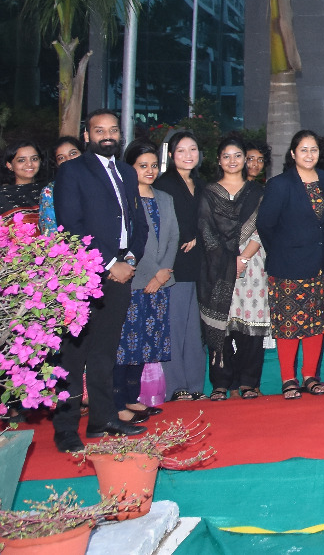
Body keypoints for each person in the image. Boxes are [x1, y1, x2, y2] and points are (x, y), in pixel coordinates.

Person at [50, 110, 148, 451]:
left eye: (113, 130)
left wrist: (130, 259)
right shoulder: (72, 171)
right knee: (74, 355)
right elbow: (70, 224)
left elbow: (138, 223)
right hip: (83, 275)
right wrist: (108, 264)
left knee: (106, 351)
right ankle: (65, 428)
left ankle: (102, 419)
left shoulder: (125, 172)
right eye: (99, 130)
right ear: (87, 135)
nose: (107, 135)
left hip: (123, 271)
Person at [257, 131, 324, 398]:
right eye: (303, 150)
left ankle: (311, 376)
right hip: (287, 265)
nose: (309, 155)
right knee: (288, 324)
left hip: (321, 264)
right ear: (293, 154)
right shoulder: (279, 184)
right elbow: (265, 225)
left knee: (316, 324)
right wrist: (283, 250)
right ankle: (288, 378)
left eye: (313, 149)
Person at [198, 137, 268, 403]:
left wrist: (243, 259)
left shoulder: (256, 193)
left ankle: (249, 381)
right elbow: (206, 229)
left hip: (252, 265)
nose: (233, 161)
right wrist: (228, 261)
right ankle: (221, 382)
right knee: (222, 326)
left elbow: (262, 227)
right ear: (219, 160)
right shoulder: (210, 192)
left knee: (251, 326)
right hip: (217, 266)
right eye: (226, 156)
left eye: (238, 155)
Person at [113, 142, 175, 425]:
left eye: (153, 165)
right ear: (129, 168)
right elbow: (127, 244)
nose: (149, 171)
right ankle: (116, 404)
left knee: (145, 346)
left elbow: (173, 236)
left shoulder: (165, 197)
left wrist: (163, 272)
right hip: (133, 281)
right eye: (142, 166)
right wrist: (149, 274)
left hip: (160, 282)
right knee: (124, 346)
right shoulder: (123, 199)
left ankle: (132, 398)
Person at [155, 131, 206, 402]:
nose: (188, 155)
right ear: (172, 155)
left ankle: (196, 385)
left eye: (193, 149)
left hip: (198, 265)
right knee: (174, 327)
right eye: (182, 150)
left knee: (194, 330)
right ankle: (176, 386)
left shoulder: (201, 183)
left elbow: (210, 221)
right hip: (172, 266)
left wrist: (199, 236)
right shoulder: (164, 184)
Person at [38, 136, 82, 233]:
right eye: (61, 157)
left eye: (73, 153)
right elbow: (50, 234)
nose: (68, 159)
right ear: (56, 164)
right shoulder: (50, 191)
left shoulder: (99, 181)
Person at [0, 141, 45, 217]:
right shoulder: (3, 196)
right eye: (22, 160)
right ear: (9, 165)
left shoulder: (49, 190)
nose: (29, 164)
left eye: (34, 159)